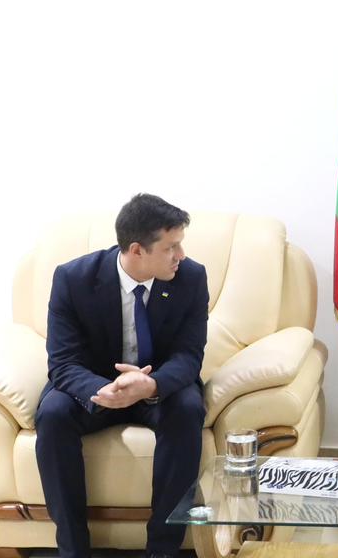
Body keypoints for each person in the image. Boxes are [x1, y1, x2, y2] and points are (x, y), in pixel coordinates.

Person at [35, 194, 209, 558]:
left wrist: (152, 384)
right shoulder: (73, 279)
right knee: (52, 415)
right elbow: (63, 360)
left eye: (180, 245)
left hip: (158, 386)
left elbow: (189, 354)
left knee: (188, 409)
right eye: (171, 247)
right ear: (137, 250)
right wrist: (106, 389)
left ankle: (162, 550)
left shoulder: (191, 278)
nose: (180, 255)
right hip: (96, 385)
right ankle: (73, 550)